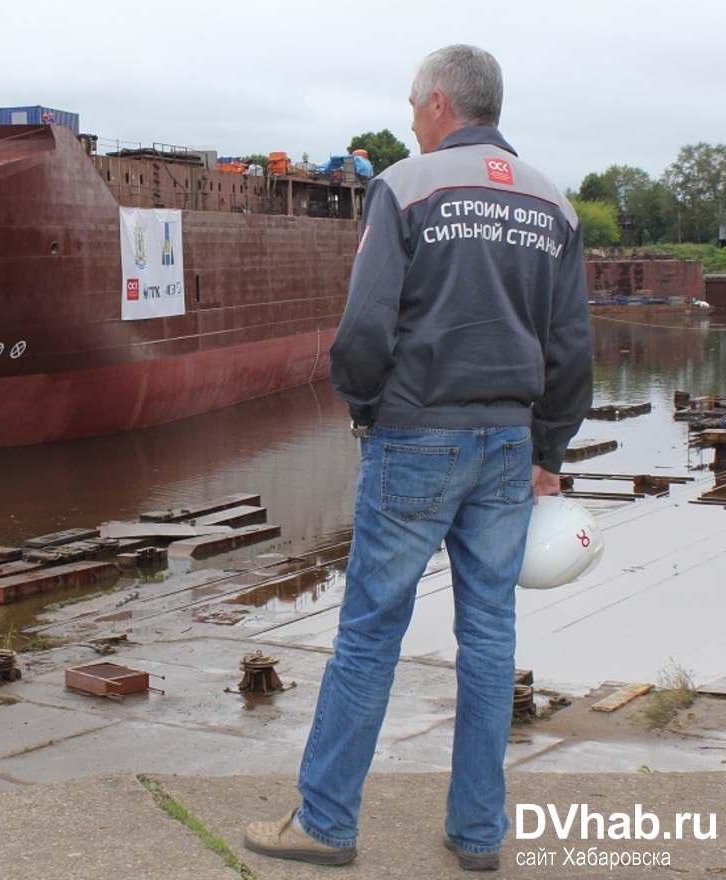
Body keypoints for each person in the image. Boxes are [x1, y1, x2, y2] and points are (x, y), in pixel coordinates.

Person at [244, 44, 592, 871]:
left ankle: (327, 822)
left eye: (411, 102)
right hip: (508, 446)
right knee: (491, 636)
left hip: (415, 435)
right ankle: (478, 834)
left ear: (441, 102)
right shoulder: (555, 206)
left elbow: (365, 329)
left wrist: (370, 411)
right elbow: (573, 348)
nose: (407, 116)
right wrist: (549, 448)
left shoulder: (403, 186)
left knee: (369, 634)